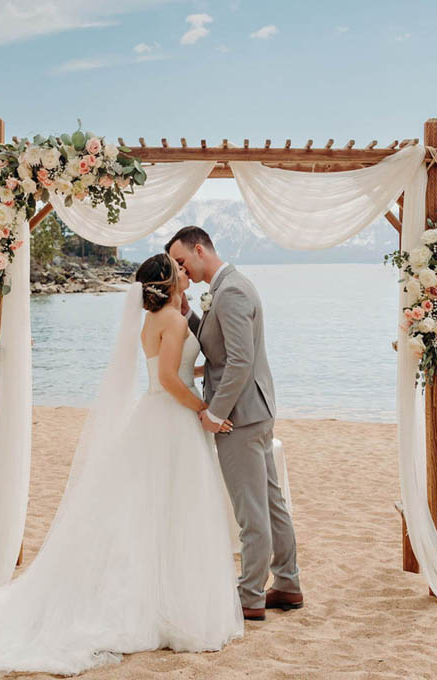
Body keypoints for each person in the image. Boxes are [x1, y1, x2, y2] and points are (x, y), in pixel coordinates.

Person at [0, 253, 243, 675]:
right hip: (172, 420)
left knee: (151, 509)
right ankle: (170, 601)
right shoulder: (172, 320)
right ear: (167, 283)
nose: (186, 273)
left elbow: (172, 369)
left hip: (154, 416)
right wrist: (205, 408)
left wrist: (206, 368)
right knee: (174, 507)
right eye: (179, 270)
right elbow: (170, 379)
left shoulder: (155, 322)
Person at [166, 226, 303, 621]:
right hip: (253, 413)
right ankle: (288, 583)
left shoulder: (232, 291)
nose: (181, 270)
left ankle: (250, 596)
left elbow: (240, 362)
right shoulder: (224, 290)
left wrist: (214, 413)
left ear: (199, 249)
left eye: (181, 261)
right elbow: (218, 349)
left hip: (239, 417)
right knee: (272, 504)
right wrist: (188, 314)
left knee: (252, 511)